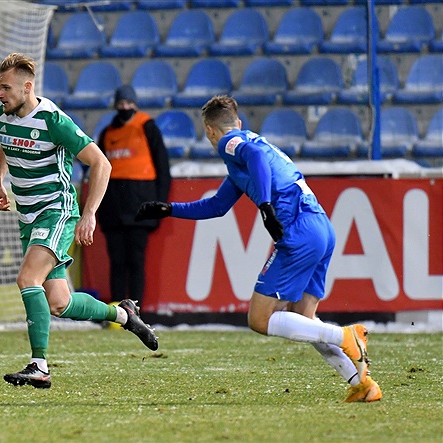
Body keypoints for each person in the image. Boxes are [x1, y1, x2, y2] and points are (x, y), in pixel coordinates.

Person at [135, 95, 382, 403]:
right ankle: (362, 383)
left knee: (259, 320)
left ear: (210, 131)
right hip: (320, 227)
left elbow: (254, 156)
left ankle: (346, 336)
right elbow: (216, 206)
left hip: (298, 230)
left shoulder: (232, 142)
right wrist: (169, 208)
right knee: (303, 318)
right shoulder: (249, 153)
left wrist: (265, 206)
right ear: (238, 121)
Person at [0, 53, 158, 389]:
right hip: (29, 216)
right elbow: (7, 145)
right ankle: (124, 314)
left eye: (6, 87)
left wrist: (90, 213)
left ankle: (39, 366)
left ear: (27, 87)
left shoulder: (54, 120)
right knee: (59, 302)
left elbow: (102, 164)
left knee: (27, 279)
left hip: (56, 211)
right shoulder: (4, 114)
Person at [97, 85, 171, 309]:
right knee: (117, 261)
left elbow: (163, 170)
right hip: (113, 209)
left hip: (140, 207)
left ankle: (135, 310)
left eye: (129, 103)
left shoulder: (147, 127)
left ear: (135, 104)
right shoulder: (107, 134)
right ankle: (117, 313)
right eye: (121, 104)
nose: (125, 108)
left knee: (136, 260)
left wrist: (159, 206)